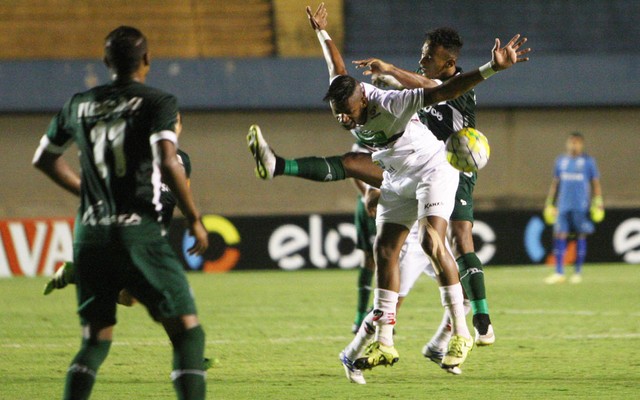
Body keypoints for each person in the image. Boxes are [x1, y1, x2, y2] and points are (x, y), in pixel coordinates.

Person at [250, 2, 529, 374]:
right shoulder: (345, 93)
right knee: (384, 250)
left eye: (347, 112)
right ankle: (384, 342)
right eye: (338, 113)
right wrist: (322, 31)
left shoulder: (394, 100)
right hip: (397, 175)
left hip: (433, 169)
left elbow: (444, 91)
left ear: (364, 99)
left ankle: (464, 329)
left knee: (435, 242)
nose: (343, 118)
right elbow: (336, 65)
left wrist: (493, 67)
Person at [32, 26, 209, 400]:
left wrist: (92, 193)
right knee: (188, 333)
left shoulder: (78, 103)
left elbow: (44, 160)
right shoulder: (158, 102)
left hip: (90, 233)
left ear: (105, 62)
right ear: (147, 60)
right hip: (137, 232)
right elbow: (167, 158)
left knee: (94, 341)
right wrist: (195, 219)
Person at [543, 132, 603, 284]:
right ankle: (559, 272)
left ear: (581, 144)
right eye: (571, 142)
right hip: (563, 205)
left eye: (577, 143)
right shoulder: (561, 161)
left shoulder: (588, 162)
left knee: (581, 235)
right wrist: (550, 202)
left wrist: (598, 201)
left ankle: (578, 272)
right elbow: (555, 183)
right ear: (567, 143)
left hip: (581, 205)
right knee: (559, 235)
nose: (573, 145)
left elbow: (595, 182)